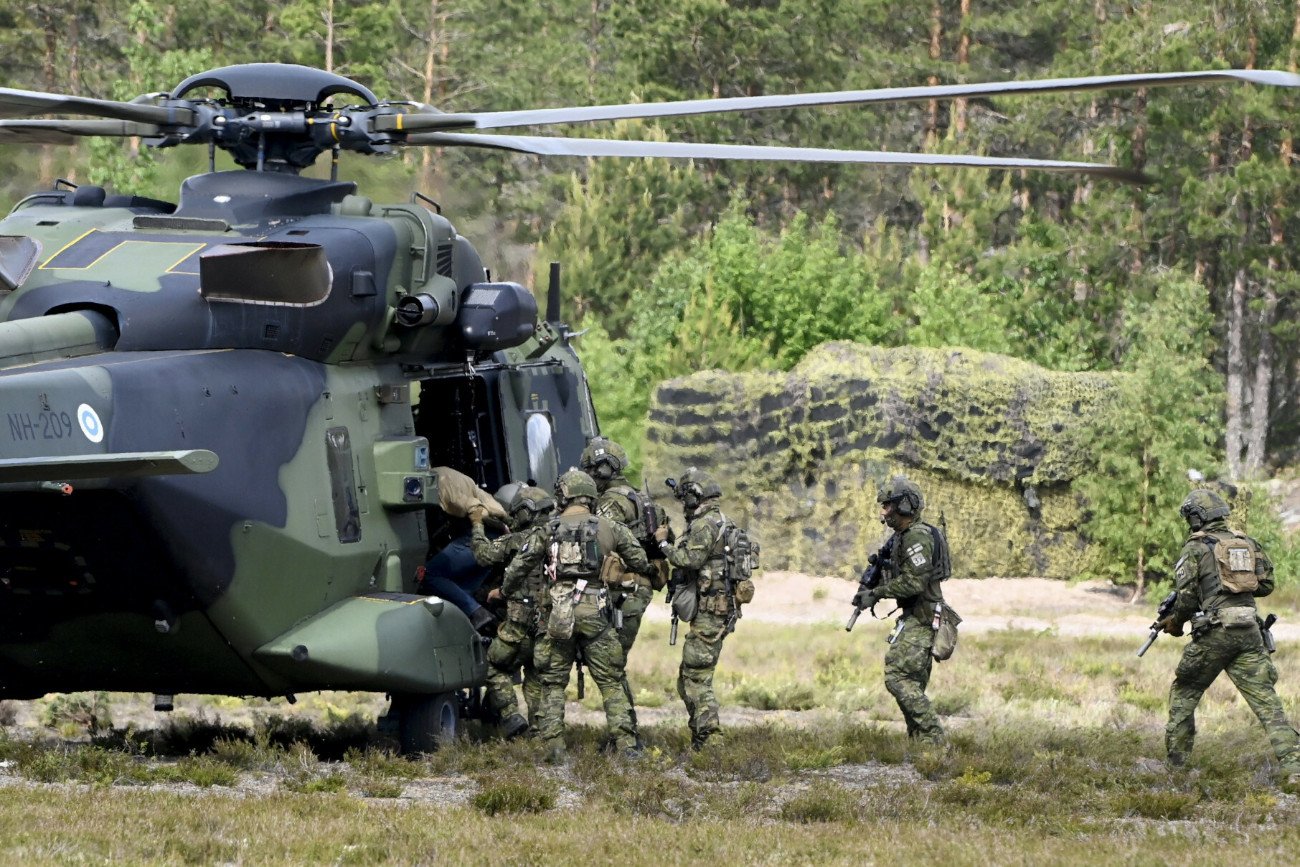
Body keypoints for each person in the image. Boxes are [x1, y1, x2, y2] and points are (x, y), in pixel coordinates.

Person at [504, 469, 654, 762]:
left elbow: (519, 566)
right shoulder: (610, 527)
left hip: (557, 616)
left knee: (552, 682)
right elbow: (640, 561)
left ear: (564, 495)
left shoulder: (547, 529)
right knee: (611, 680)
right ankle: (627, 746)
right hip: (596, 613)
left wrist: (509, 591)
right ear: (590, 496)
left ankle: (554, 749)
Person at [1158, 489, 1300, 784]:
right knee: (1267, 703)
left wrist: (1176, 623)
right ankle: (1295, 767)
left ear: (1196, 518)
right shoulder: (1246, 543)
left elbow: (1185, 598)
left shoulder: (1195, 548)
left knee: (1185, 692)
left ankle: (1176, 767)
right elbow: (1266, 585)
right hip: (1249, 633)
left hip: (1214, 633)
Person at [580, 436, 671, 747]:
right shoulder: (641, 498)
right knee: (613, 663)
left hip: (626, 589)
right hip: (638, 587)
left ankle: (626, 739)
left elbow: (594, 542)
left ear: (601, 469)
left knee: (610, 664)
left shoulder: (611, 502)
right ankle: (625, 734)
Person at [656, 467, 755, 750]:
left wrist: (663, 544)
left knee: (696, 678)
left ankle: (710, 739)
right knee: (688, 677)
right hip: (718, 611)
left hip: (712, 612)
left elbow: (689, 559)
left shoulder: (705, 525)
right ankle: (701, 735)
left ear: (694, 497)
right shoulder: (723, 522)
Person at [852, 476, 950, 749]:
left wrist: (877, 593)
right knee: (912, 684)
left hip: (923, 618)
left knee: (898, 678)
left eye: (888, 506)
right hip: (915, 616)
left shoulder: (917, 537)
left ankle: (934, 738)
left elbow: (914, 582)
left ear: (905, 506)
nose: (884, 512)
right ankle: (921, 745)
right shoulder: (902, 538)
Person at [468, 484, 556, 739]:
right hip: (549, 626)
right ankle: (539, 730)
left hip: (517, 625)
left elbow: (483, 555)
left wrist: (477, 525)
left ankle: (510, 715)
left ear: (524, 513)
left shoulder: (517, 540)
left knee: (493, 666)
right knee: (537, 676)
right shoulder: (561, 539)